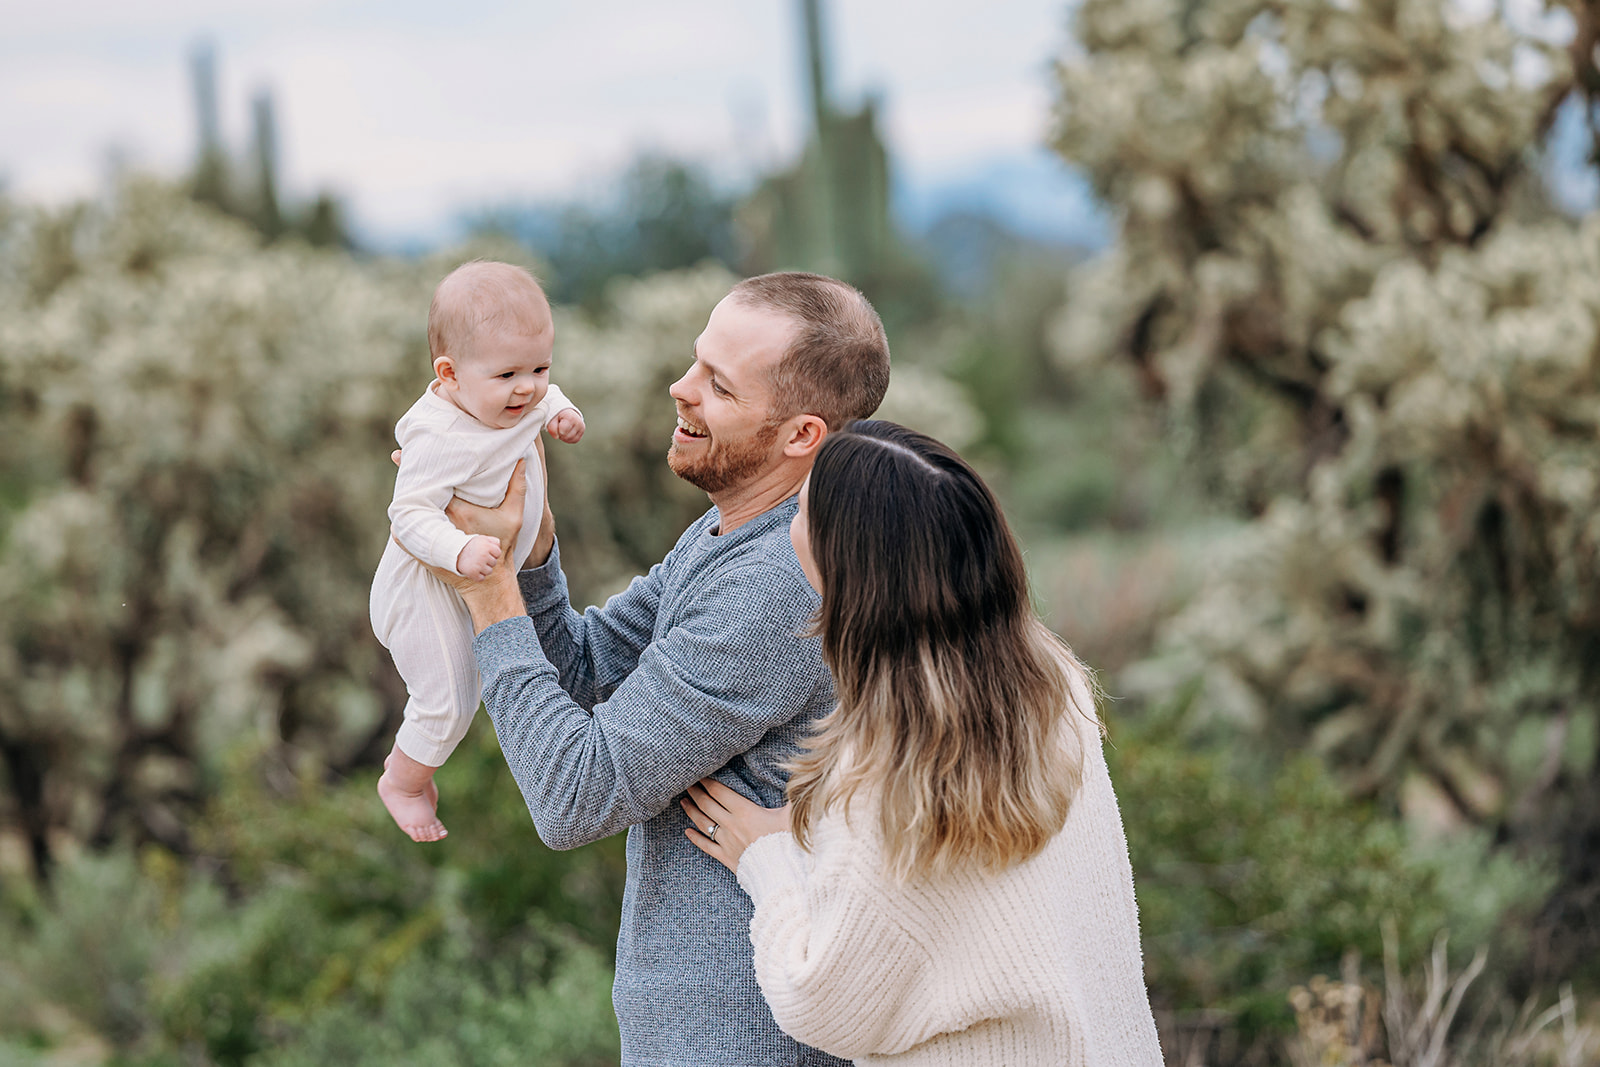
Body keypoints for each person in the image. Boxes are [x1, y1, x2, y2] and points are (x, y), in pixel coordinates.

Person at [421, 272, 890, 1066]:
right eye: (694, 362)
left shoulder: (776, 585)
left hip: (747, 1040)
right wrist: (530, 552)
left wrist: (488, 590)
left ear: (801, 435)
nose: (681, 389)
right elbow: (589, 670)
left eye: (718, 384)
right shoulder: (726, 534)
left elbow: (575, 796)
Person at [680, 420, 1165, 1066]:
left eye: (803, 509)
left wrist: (766, 859)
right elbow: (963, 886)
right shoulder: (1053, 686)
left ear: (846, 564)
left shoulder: (881, 776)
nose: (791, 518)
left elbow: (821, 1000)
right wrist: (814, 830)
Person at [370, 260, 584, 843]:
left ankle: (422, 767)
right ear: (450, 374)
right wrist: (459, 549)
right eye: (510, 373)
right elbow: (406, 515)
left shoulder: (508, 398)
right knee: (448, 700)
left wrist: (564, 412)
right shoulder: (439, 437)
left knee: (474, 694)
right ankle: (403, 783)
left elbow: (546, 399)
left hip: (472, 573)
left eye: (541, 367)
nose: (528, 387)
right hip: (426, 589)